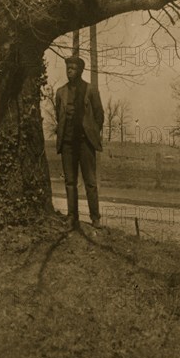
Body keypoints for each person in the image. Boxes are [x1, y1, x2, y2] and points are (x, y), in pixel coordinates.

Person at [55, 56, 104, 229]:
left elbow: (99, 115)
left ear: (81, 70)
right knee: (70, 181)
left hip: (85, 143)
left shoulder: (90, 90)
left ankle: (95, 217)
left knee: (90, 181)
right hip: (68, 144)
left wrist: (91, 133)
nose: (69, 71)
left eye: (73, 68)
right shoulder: (61, 92)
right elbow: (58, 116)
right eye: (68, 68)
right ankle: (71, 217)